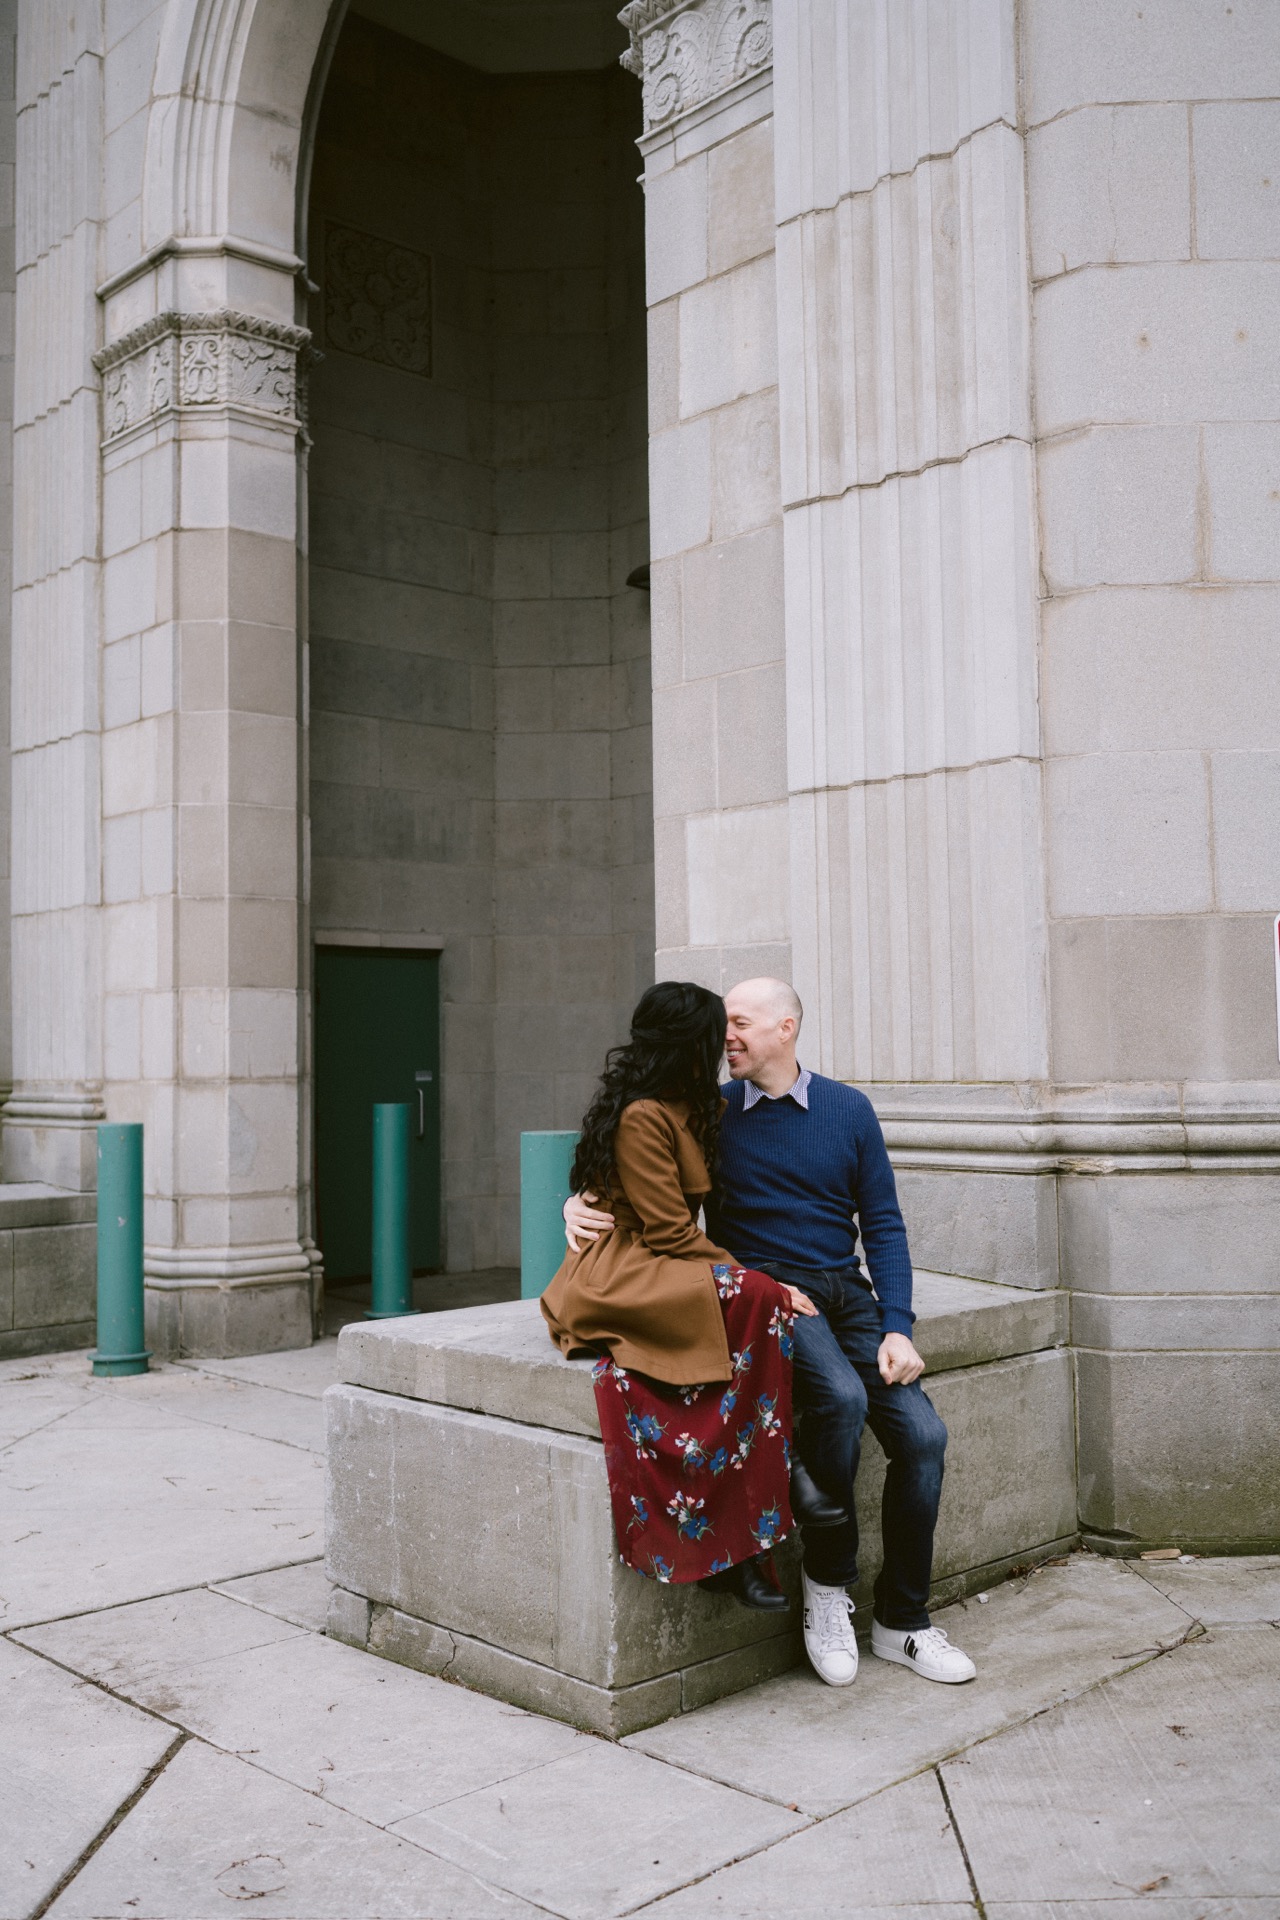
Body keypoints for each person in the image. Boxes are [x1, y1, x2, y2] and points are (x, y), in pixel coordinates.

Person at [566, 977, 976, 1690]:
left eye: (741, 1023)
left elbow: (882, 1224)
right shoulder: (709, 1112)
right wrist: (574, 1203)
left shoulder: (848, 1109)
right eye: (720, 1024)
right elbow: (632, 1166)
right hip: (767, 1293)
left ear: (786, 1028)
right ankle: (827, 1589)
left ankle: (902, 1622)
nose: (726, 1037)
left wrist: (897, 1325)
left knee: (925, 1439)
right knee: (843, 1403)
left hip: (844, 1294)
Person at [541, 981, 846, 1612]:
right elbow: (671, 1231)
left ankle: (752, 1540)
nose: (726, 1042)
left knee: (752, 1310)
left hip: (665, 1262)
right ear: (693, 1041)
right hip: (623, 1270)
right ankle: (788, 1474)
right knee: (759, 1295)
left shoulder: (699, 1105)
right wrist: (773, 1283)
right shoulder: (643, 1114)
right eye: (718, 1031)